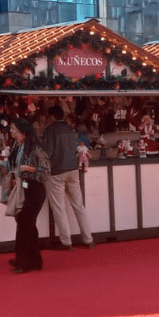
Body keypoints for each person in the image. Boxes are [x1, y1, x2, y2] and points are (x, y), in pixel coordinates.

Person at [42, 105, 95, 250]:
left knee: (59, 208)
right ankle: (88, 239)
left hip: (57, 171)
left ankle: (66, 242)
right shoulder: (71, 129)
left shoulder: (50, 130)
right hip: (73, 170)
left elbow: (48, 153)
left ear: (52, 116)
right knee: (79, 206)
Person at [7, 119, 50, 273]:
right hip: (25, 188)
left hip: (35, 189)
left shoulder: (36, 150)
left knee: (25, 224)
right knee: (28, 225)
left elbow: (45, 171)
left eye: (14, 130)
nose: (12, 132)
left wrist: (29, 169)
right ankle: (34, 260)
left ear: (23, 133)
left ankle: (24, 261)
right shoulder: (19, 148)